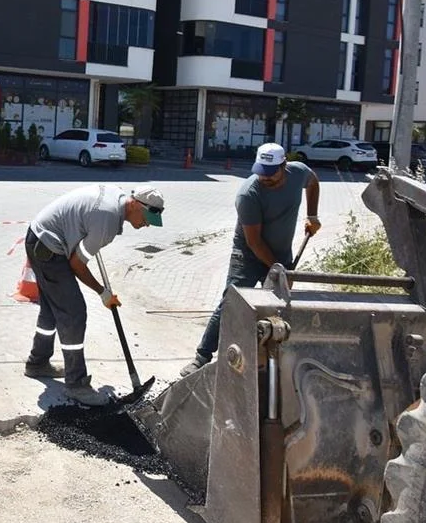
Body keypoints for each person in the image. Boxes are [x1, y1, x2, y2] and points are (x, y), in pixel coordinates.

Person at [180, 143, 320, 377]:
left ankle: (273, 356)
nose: (264, 177)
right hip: (247, 255)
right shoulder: (249, 194)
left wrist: (312, 215)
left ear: (284, 166)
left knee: (279, 304)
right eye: (261, 171)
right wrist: (279, 270)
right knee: (232, 301)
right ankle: (202, 356)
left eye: (270, 172)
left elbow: (313, 181)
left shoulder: (298, 172)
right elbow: (254, 243)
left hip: (280, 254)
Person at [23, 184, 166, 406]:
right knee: (74, 313)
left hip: (39, 237)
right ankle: (76, 384)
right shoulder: (107, 221)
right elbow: (77, 265)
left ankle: (37, 363)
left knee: (52, 308)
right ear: (136, 204)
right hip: (48, 247)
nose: (147, 224)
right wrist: (102, 292)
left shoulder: (116, 198)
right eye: (148, 218)